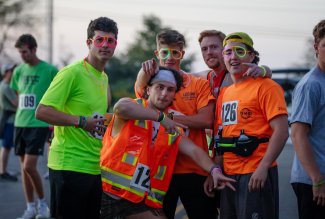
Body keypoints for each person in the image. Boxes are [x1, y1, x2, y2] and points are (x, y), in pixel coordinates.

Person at [100, 67, 236, 219]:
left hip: (142, 200)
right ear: (148, 89)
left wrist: (214, 170)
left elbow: (193, 151)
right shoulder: (134, 106)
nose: (164, 94)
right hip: (111, 195)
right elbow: (120, 107)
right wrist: (161, 118)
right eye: (160, 87)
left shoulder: (172, 126)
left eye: (170, 89)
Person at [35, 17, 118, 219]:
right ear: (89, 42)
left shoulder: (104, 77)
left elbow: (97, 119)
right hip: (68, 165)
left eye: (110, 40)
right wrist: (81, 122)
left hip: (95, 167)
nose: (105, 45)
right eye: (100, 40)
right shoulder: (71, 73)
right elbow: (42, 111)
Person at [135, 29, 217, 219]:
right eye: (164, 52)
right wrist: (143, 72)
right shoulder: (151, 83)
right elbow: (137, 97)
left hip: (194, 168)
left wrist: (170, 118)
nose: (170, 58)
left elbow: (206, 121)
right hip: (160, 171)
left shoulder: (198, 84)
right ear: (157, 54)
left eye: (175, 53)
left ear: (182, 54)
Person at [217, 32, 289, 219]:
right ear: (223, 57)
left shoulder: (266, 86)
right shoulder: (225, 93)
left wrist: (263, 167)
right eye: (228, 52)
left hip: (255, 172)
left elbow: (281, 131)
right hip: (228, 176)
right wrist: (216, 170)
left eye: (239, 51)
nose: (233, 57)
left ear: (251, 56)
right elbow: (220, 135)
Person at [196, 30, 273, 201]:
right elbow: (179, 74)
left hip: (245, 160)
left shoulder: (241, 75)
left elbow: (265, 74)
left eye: (214, 47)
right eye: (204, 49)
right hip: (219, 157)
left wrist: (263, 69)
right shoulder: (205, 77)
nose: (209, 52)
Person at [10, 34, 58, 219]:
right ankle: (30, 207)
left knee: (30, 166)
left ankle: (43, 204)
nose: (22, 55)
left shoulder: (49, 70)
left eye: (25, 52)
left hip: (38, 123)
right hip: (20, 123)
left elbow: (58, 95)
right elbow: (18, 92)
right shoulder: (19, 71)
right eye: (20, 52)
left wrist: (53, 119)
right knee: (24, 169)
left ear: (34, 49)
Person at [290, 20, 325, 219]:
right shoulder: (310, 85)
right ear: (316, 47)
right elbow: (297, 135)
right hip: (313, 181)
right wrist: (317, 180)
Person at [0, 63, 18, 181]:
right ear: (6, 72)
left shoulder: (4, 85)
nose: (13, 72)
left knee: (5, 147)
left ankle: (3, 170)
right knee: (6, 147)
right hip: (9, 120)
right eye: (11, 70)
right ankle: (3, 172)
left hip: (6, 119)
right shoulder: (6, 87)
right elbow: (16, 103)